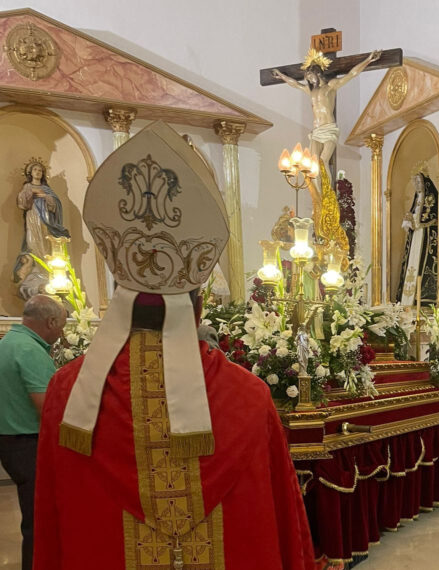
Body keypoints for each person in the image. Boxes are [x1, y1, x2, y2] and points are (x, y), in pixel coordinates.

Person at [33, 121, 314, 569]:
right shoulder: (249, 397)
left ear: (120, 302)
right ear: (197, 305)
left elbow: (53, 526)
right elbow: (277, 524)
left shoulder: (68, 400)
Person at [0, 294, 66, 570]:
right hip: (28, 443)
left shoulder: (8, 343)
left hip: (10, 440)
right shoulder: (29, 350)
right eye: (61, 325)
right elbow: (49, 409)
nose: (62, 332)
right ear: (50, 321)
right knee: (39, 520)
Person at [272, 48, 381, 165]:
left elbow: (351, 74)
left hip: (329, 129)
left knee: (323, 161)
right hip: (317, 131)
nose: (308, 79)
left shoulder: (331, 86)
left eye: (309, 76)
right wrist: (281, 76)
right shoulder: (311, 90)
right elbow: (295, 84)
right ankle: (315, 184)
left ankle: (327, 184)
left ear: (317, 73)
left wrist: (368, 60)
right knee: (312, 163)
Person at [13, 161, 70, 300]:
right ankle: (36, 270)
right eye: (35, 170)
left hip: (46, 222)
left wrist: (46, 196)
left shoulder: (46, 189)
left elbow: (55, 205)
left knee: (47, 245)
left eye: (40, 170)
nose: (38, 172)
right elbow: (22, 203)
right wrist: (31, 192)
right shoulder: (27, 186)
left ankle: (47, 272)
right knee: (33, 244)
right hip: (33, 219)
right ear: (30, 173)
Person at [396, 171, 439, 305]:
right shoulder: (417, 197)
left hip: (424, 236)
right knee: (412, 262)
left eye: (419, 182)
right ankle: (406, 299)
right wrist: (409, 219)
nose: (417, 185)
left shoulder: (431, 196)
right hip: (415, 236)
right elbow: (415, 213)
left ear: (425, 183)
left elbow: (432, 215)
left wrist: (415, 220)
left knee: (420, 262)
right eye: (415, 183)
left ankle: (420, 298)